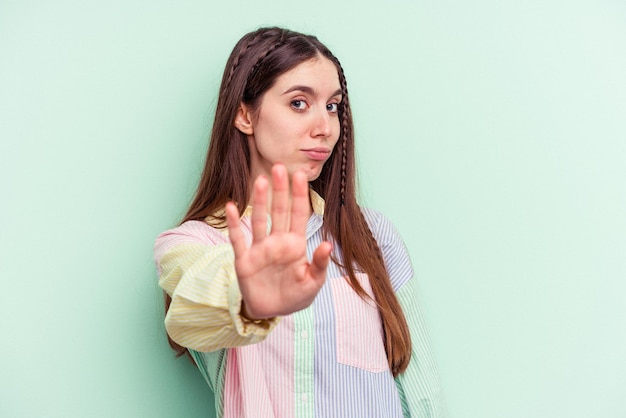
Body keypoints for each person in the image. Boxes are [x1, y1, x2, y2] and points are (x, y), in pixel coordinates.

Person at [154, 26, 446, 417]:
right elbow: (188, 320)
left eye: (332, 106)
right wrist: (248, 296)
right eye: (298, 103)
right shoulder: (192, 244)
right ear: (244, 114)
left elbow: (422, 391)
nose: (325, 127)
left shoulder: (374, 236)